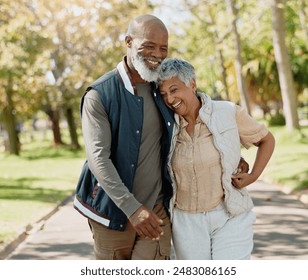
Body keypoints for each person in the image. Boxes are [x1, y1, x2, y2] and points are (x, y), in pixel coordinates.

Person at [73, 15, 248, 260]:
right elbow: (98, 159)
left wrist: (230, 155)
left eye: (163, 48)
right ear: (129, 42)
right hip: (113, 211)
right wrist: (133, 210)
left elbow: (199, 113)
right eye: (149, 46)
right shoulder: (99, 95)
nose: (157, 54)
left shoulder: (164, 89)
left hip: (157, 209)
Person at [157, 58, 275, 260]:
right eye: (164, 94)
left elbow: (266, 140)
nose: (169, 99)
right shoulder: (166, 125)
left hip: (229, 215)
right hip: (187, 221)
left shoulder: (227, 112)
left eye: (174, 89)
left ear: (192, 84)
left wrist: (253, 175)